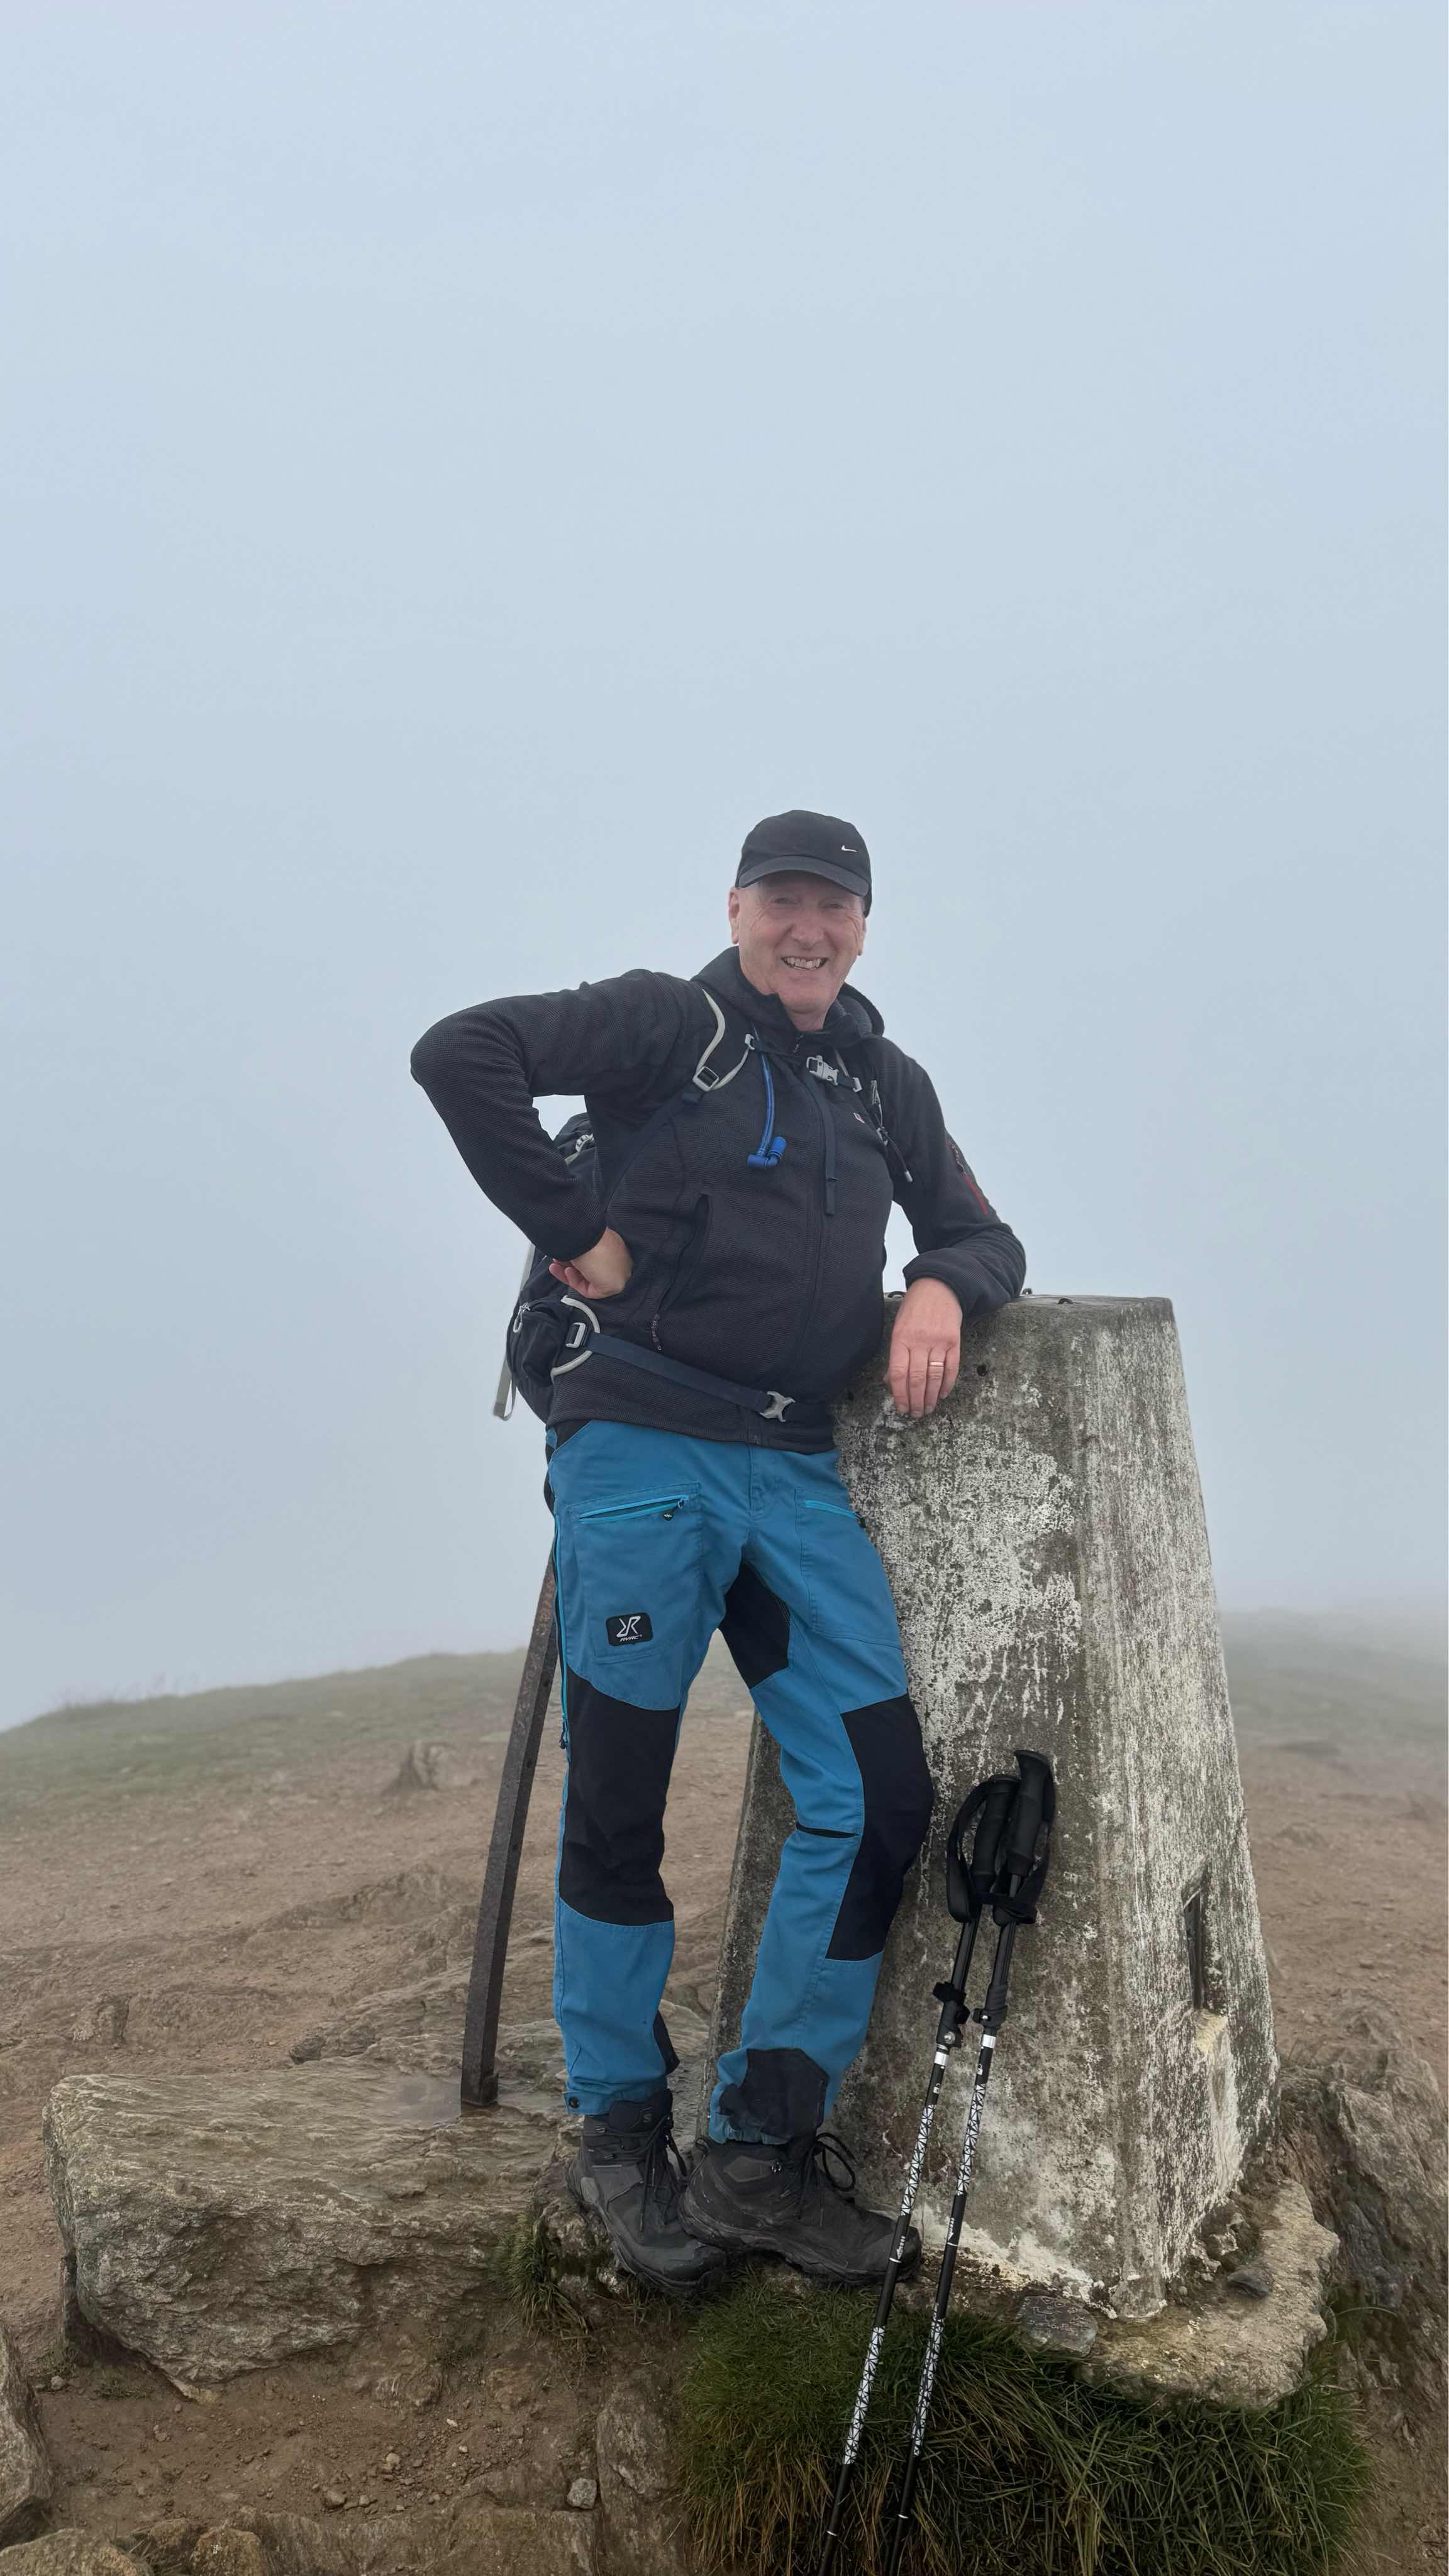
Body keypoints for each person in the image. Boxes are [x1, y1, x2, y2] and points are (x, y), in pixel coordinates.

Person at [411, 809, 1025, 2292]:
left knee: (878, 1797)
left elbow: (984, 1232)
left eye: (836, 907)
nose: (809, 929)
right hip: (640, 1445)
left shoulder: (884, 1081)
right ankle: (620, 2129)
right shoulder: (662, 1025)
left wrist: (942, 1283)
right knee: (620, 1803)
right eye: (783, 900)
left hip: (794, 1466)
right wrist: (578, 1231)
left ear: (863, 926)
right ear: (739, 906)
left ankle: (758, 2150)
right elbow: (461, 1052)